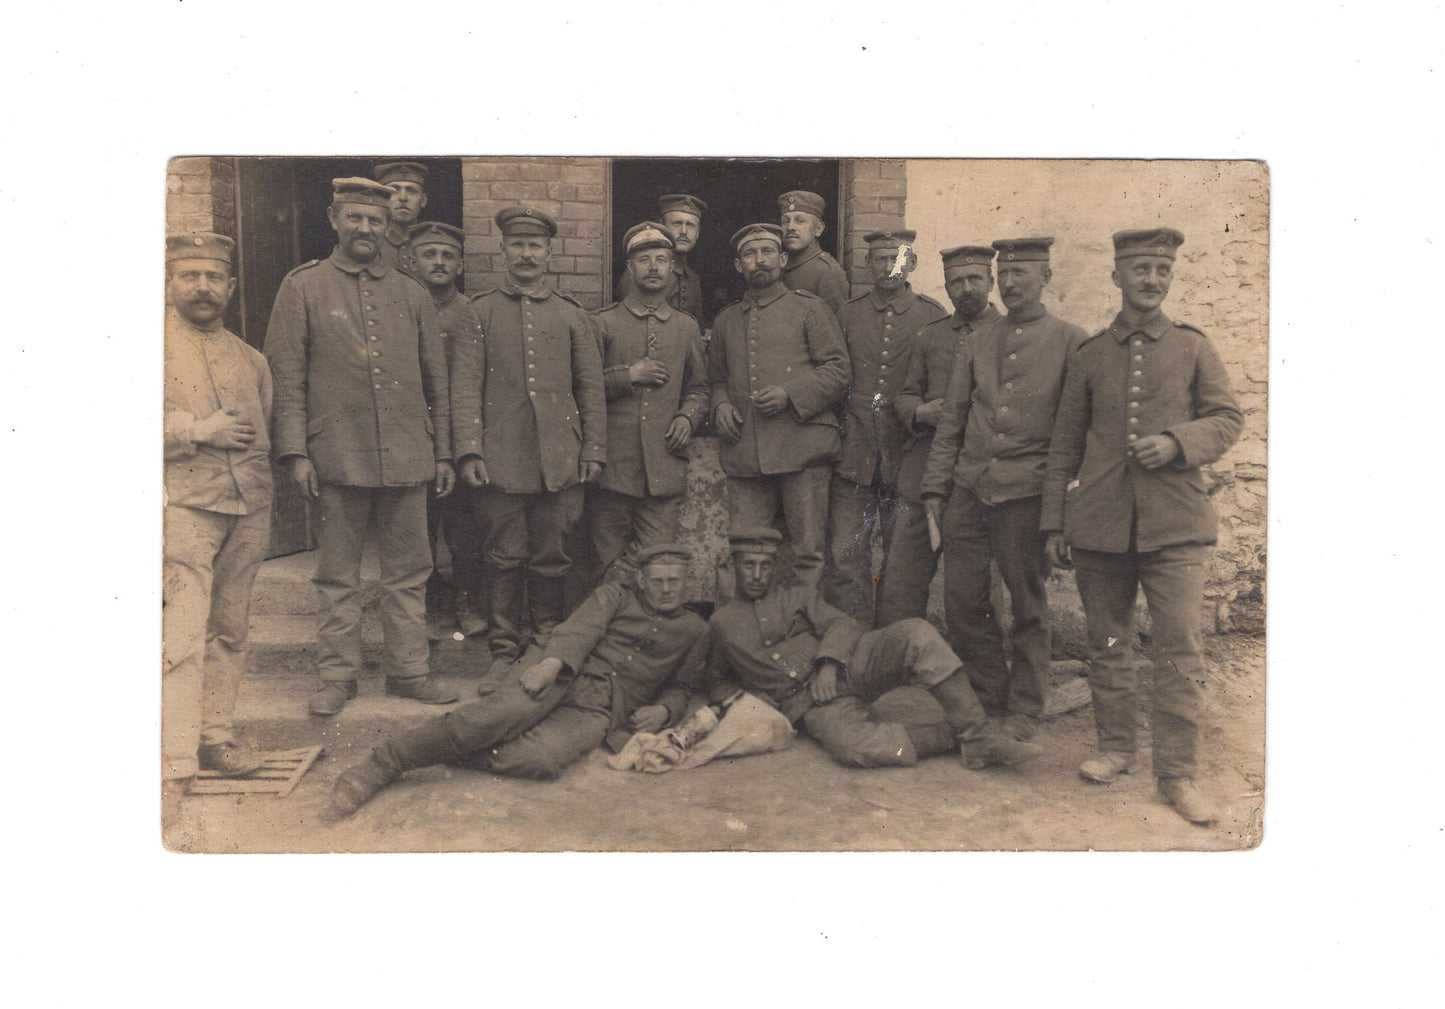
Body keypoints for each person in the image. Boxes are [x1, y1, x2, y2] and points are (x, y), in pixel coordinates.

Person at [1042, 228, 1243, 825]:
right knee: (1109, 647)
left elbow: (1228, 417)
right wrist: (1055, 522)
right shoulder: (1090, 355)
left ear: (1170, 275)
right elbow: (1063, 446)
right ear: (1117, 277)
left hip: (1175, 525)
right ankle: (1117, 749)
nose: (1152, 279)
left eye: (1161, 268)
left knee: (1180, 651)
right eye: (1140, 269)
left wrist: (1179, 442)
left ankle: (1177, 776)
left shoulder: (1192, 347)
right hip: (1101, 526)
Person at [264, 178, 458, 716]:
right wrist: (296, 452)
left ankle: (410, 672)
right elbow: (287, 376)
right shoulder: (302, 287)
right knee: (336, 576)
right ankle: (336, 677)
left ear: (387, 226)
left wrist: (442, 453)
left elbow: (435, 383)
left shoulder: (412, 293)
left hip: (407, 456)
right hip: (337, 455)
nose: (366, 229)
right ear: (333, 219)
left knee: (408, 574)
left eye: (375, 220)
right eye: (355, 218)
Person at [329, 545, 709, 816]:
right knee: (495, 716)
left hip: (602, 708)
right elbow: (579, 631)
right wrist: (549, 665)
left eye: (674, 581)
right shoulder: (616, 595)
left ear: (685, 582)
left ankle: (443, 747)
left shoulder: (695, 629)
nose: (666, 589)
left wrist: (664, 709)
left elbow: (683, 687)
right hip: (559, 671)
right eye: (657, 581)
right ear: (641, 580)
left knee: (541, 761)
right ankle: (384, 763)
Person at [691, 529, 1043, 769]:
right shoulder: (721, 624)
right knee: (855, 748)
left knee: (916, 633)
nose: (756, 574)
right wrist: (749, 699)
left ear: (773, 568)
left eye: (764, 566)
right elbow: (717, 679)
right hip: (813, 704)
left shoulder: (795, 597)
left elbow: (843, 624)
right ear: (733, 567)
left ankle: (978, 732)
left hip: (852, 666)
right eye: (748, 565)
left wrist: (828, 662)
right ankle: (963, 737)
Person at [920, 237, 1087, 735]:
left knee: (1028, 605)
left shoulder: (1070, 341)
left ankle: (1026, 708)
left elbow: (1072, 434)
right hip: (970, 490)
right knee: (963, 601)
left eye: (1024, 275)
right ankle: (987, 696)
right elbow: (953, 418)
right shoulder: (978, 341)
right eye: (1007, 275)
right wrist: (936, 488)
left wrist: (1058, 511)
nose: (1012, 284)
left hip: (1027, 495)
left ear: (1046, 278)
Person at [453, 206, 607, 673]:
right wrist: (469, 450)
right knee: (503, 557)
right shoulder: (478, 312)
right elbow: (464, 387)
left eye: (534, 245)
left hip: (560, 460)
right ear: (503, 250)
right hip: (500, 460)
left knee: (553, 556)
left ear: (548, 253)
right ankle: (503, 651)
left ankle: (544, 642)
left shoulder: (571, 314)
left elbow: (591, 388)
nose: (526, 254)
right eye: (517, 245)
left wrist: (593, 449)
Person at [163, 232, 271, 792]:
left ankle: (217, 736)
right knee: (181, 628)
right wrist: (197, 430)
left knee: (230, 629)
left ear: (230, 287)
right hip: (184, 508)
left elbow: (265, 433)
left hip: (248, 508)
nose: (202, 287)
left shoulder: (249, 358)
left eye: (213, 278)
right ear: (170, 281)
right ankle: (175, 754)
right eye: (190, 275)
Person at [708, 223, 850, 588]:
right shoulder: (725, 320)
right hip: (746, 452)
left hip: (802, 449)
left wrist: (790, 394)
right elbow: (717, 379)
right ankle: (746, 636)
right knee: (745, 552)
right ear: (739, 266)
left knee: (808, 552)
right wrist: (721, 405)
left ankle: (805, 633)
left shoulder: (810, 309)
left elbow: (838, 371)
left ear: (783, 260)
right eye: (750, 254)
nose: (760, 261)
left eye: (768, 252)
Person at [825, 229, 946, 626]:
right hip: (853, 454)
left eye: (896, 258)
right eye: (879, 258)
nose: (888, 266)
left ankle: (895, 645)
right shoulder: (848, 313)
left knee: (902, 563)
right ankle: (851, 645)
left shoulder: (933, 316)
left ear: (912, 263)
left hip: (906, 455)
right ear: (866, 264)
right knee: (845, 557)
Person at [880, 244, 1002, 625]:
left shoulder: (1010, 337)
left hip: (981, 472)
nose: (966, 288)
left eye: (974, 279)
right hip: (924, 468)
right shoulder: (930, 336)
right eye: (956, 282)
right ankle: (898, 660)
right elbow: (904, 394)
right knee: (902, 577)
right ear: (947, 288)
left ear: (991, 282)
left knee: (978, 586)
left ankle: (977, 670)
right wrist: (919, 411)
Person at [591, 221, 710, 582]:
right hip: (613, 467)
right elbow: (582, 388)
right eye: (644, 259)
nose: (654, 267)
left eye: (662, 259)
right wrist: (628, 376)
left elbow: (700, 388)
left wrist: (688, 418)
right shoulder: (603, 323)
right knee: (606, 564)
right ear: (630, 267)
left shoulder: (686, 327)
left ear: (674, 268)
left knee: (658, 564)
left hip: (663, 467)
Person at [409, 221, 488, 637]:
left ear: (460, 265)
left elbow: (467, 387)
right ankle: (432, 604)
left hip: (456, 442)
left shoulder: (467, 313)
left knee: (463, 532)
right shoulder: (400, 306)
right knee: (417, 531)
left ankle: (467, 600)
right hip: (411, 440)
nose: (438, 262)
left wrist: (464, 450)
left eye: (447, 256)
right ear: (412, 261)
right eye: (429, 254)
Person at [616, 193, 708, 324]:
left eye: (690, 225)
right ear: (662, 225)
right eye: (677, 223)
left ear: (698, 232)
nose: (683, 231)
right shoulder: (640, 274)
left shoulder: (693, 279)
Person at [777, 190, 850, 318]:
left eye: (800, 221)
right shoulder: (778, 266)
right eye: (785, 221)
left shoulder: (828, 272)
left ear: (818, 229)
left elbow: (836, 331)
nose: (790, 227)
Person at [374, 161, 428, 279]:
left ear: (423, 200)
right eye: (394, 190)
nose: (403, 198)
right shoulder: (372, 244)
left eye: (411, 191)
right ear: (382, 198)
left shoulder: (431, 246)